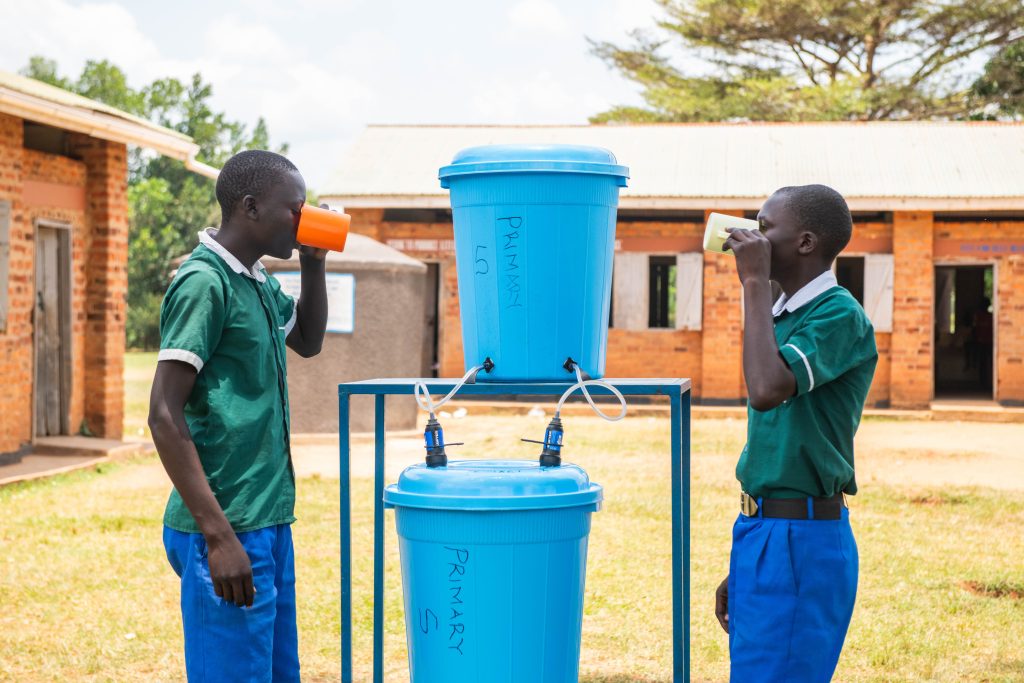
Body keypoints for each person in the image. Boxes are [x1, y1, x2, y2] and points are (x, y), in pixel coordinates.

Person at [148, 150, 329, 682]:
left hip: (266, 520)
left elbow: (309, 340)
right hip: (225, 526)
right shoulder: (205, 282)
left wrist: (314, 263)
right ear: (250, 207)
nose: (303, 219)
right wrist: (218, 537)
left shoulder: (253, 278)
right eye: (294, 209)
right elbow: (163, 413)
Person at [714, 184, 878, 681]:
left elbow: (767, 388)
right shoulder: (785, 316)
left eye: (766, 227)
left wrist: (754, 283)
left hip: (801, 538)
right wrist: (746, 561)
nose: (753, 236)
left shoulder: (838, 315)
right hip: (766, 530)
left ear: (805, 243)